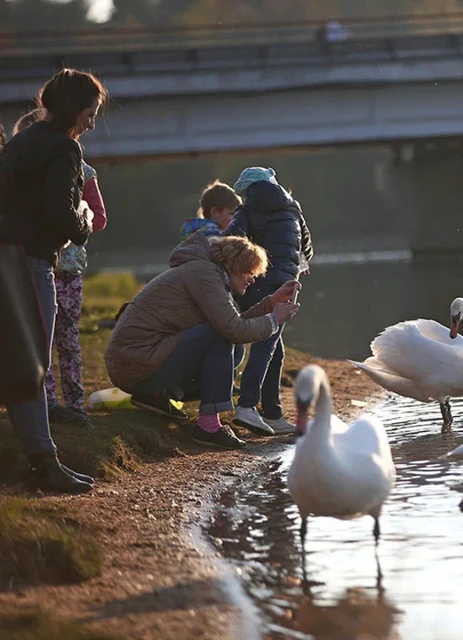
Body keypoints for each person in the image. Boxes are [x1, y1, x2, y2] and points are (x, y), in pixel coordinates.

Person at [0, 68, 107, 494]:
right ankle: (45, 466)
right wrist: (83, 220)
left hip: (7, 255)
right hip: (29, 262)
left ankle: (43, 460)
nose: (92, 122)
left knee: (17, 363)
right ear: (74, 110)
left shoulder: (21, 142)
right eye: (91, 112)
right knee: (31, 366)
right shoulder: (65, 148)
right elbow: (60, 214)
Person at [104, 232, 301, 449]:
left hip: (138, 362)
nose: (253, 278)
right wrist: (274, 320)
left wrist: (270, 303)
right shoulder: (204, 274)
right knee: (220, 337)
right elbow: (231, 329)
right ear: (236, 265)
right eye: (251, 272)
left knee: (232, 348)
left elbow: (231, 323)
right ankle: (208, 426)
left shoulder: (206, 273)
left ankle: (156, 395)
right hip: (136, 365)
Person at [13, 105, 111, 428]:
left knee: (67, 340)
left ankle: (74, 403)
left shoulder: (83, 170)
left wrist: (79, 217)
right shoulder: (24, 171)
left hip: (68, 270)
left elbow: (100, 217)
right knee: (38, 341)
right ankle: (48, 403)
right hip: (34, 264)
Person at [225, 167, 313, 437]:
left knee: (273, 348)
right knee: (267, 345)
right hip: (285, 284)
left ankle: (271, 412)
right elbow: (307, 247)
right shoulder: (292, 208)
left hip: (254, 281)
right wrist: (297, 265)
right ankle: (248, 406)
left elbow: (231, 240)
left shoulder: (247, 208)